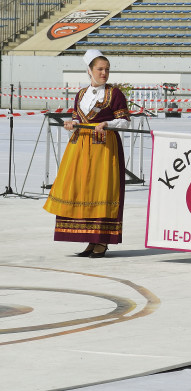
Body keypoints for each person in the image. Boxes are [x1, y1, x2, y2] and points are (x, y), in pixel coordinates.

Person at [44, 50, 130, 258]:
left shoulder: (114, 94)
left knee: (102, 190)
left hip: (104, 148)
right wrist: (71, 125)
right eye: (100, 69)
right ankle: (90, 239)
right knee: (83, 190)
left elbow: (125, 121)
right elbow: (77, 119)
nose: (104, 73)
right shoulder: (81, 94)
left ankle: (102, 240)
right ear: (89, 70)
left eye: (107, 69)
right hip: (80, 147)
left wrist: (107, 123)